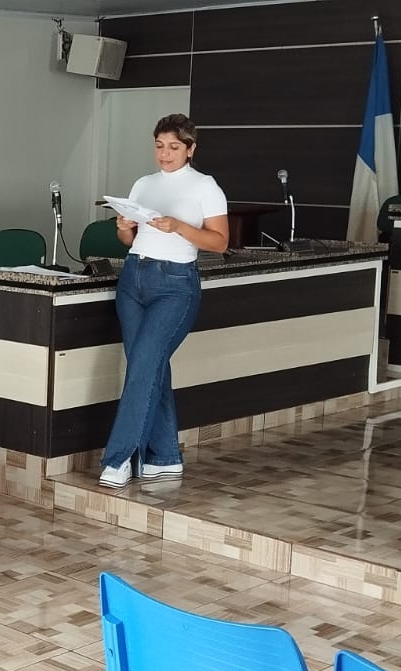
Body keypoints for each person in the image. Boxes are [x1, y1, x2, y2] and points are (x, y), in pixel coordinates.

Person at [100, 113, 229, 489]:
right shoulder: (143, 184)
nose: (165, 153)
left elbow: (220, 242)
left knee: (143, 367)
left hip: (175, 286)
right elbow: (130, 241)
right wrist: (124, 229)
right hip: (133, 280)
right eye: (159, 146)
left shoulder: (205, 186)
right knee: (150, 366)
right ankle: (164, 457)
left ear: (191, 148)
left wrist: (179, 226)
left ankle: (119, 458)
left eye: (173, 147)